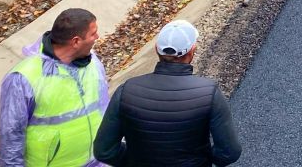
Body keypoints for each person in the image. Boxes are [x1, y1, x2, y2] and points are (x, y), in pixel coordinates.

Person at [94, 20, 241, 167]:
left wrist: (133, 158)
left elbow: (104, 151)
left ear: (157, 49)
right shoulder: (209, 92)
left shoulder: (126, 90)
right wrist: (202, 160)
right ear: (192, 51)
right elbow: (229, 152)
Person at [0, 7, 109, 167]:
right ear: (76, 41)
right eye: (93, 34)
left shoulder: (93, 63)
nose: (97, 37)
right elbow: (11, 136)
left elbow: (104, 108)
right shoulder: (23, 79)